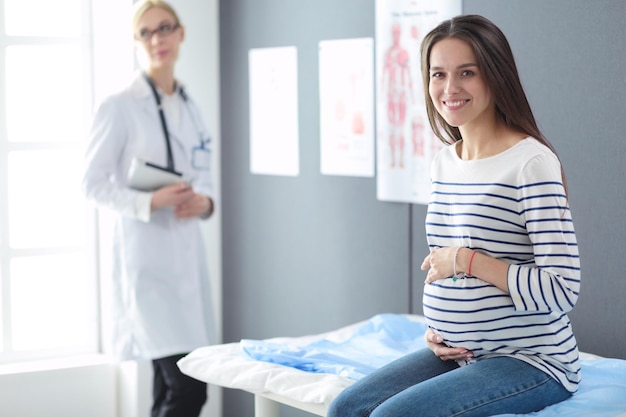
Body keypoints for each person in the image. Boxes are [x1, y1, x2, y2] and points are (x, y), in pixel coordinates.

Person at [327, 14, 581, 417]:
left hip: (531, 360)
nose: (450, 88)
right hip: (460, 353)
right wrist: (439, 330)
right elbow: (445, 273)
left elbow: (563, 289)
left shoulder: (531, 162)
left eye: (467, 72)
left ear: (496, 76)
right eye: (438, 74)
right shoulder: (443, 163)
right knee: (346, 407)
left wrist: (467, 261)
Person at [82, 1, 215, 416]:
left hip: (185, 265)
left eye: (164, 28)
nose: (157, 39)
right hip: (147, 269)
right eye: (146, 32)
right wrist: (148, 201)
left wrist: (205, 202)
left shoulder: (190, 106)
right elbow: (92, 184)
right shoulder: (119, 106)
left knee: (168, 388)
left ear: (181, 33)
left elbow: (204, 172)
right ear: (136, 42)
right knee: (189, 390)